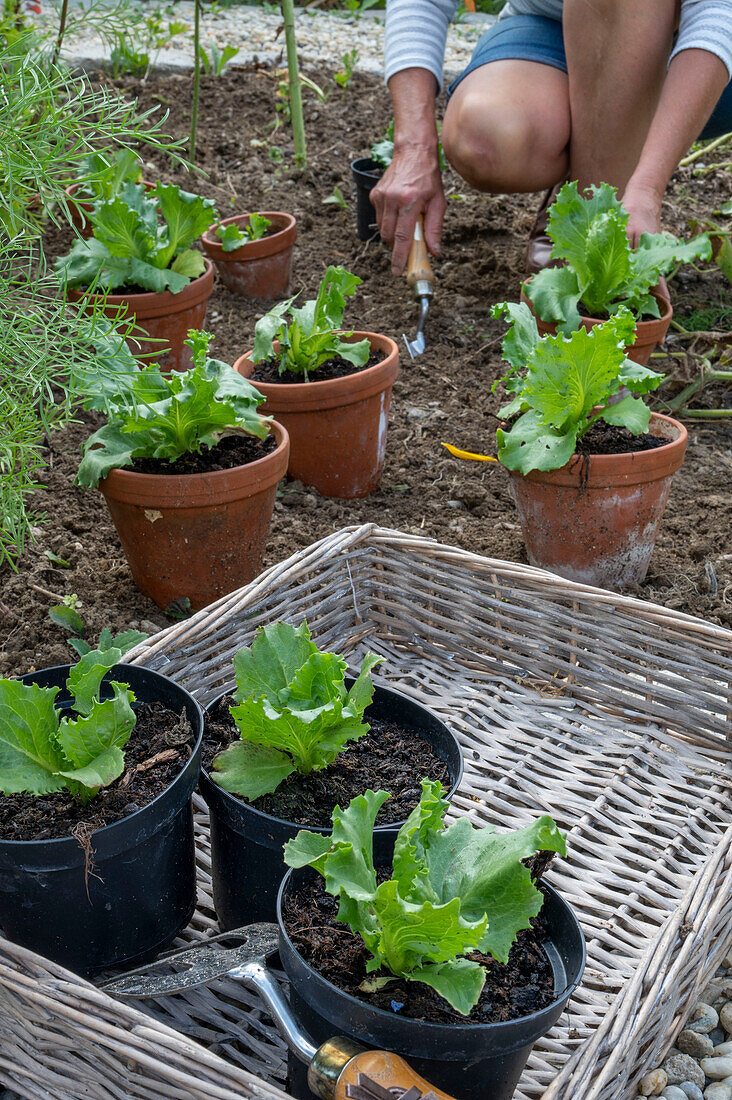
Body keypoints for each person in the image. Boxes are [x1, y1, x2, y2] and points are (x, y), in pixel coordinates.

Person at [374, 0, 732, 275]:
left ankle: (600, 215)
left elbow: (717, 12)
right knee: (486, 140)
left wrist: (647, 189)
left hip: (707, 60)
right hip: (551, 31)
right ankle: (589, 194)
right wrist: (413, 148)